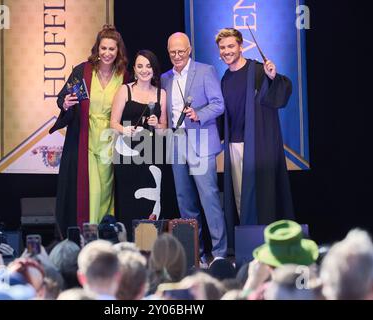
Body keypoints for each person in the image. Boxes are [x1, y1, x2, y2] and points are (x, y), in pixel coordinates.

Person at [215, 28, 295, 251]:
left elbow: (282, 92)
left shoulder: (259, 70)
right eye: (223, 48)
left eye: (231, 46)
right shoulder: (224, 79)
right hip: (234, 145)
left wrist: (273, 77)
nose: (227, 51)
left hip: (258, 147)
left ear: (241, 46)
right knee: (241, 199)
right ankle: (249, 249)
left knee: (262, 197)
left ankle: (268, 247)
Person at [49, 25, 130, 238]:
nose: (107, 53)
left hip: (112, 140)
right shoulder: (82, 71)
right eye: (103, 48)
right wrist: (65, 103)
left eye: (112, 49)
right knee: (89, 190)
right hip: (85, 137)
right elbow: (62, 97)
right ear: (97, 49)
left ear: (118, 51)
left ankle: (107, 233)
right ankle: (89, 234)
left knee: (107, 190)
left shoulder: (124, 76)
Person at [161, 32, 228, 262]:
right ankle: (195, 255)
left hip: (201, 141)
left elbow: (219, 104)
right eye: (172, 52)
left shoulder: (205, 70)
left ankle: (219, 254)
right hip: (176, 143)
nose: (177, 56)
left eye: (181, 51)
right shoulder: (165, 78)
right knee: (185, 202)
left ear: (189, 50)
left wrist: (198, 114)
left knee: (209, 199)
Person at [111, 50, 177, 239]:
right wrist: (126, 130)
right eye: (140, 66)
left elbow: (164, 129)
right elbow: (113, 123)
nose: (144, 70)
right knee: (129, 201)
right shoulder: (125, 90)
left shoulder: (161, 94)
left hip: (153, 154)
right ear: (134, 69)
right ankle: (129, 245)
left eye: (148, 66)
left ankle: (151, 247)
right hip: (127, 156)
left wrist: (157, 125)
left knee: (152, 202)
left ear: (154, 69)